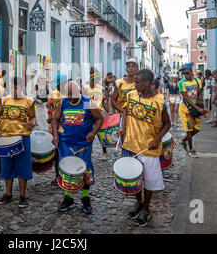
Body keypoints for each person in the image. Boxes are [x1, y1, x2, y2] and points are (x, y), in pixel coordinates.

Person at [117, 69, 171, 227]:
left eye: (137, 81)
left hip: (148, 147)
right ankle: (139, 203)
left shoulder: (160, 101)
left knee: (149, 181)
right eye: (134, 81)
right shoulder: (131, 95)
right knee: (134, 177)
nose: (134, 84)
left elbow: (167, 124)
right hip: (130, 144)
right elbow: (126, 111)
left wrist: (157, 139)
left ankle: (146, 209)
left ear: (147, 83)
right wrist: (123, 127)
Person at [52, 81, 104, 214]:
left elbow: (99, 118)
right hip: (66, 144)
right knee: (67, 170)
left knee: (85, 170)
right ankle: (68, 198)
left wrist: (93, 133)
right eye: (67, 93)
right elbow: (55, 119)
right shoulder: (63, 103)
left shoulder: (87, 102)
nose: (69, 96)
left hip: (83, 144)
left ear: (79, 91)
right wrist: (55, 135)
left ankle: (85, 197)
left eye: (72, 93)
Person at [0, 77, 36, 208]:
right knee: (7, 167)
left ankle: (22, 195)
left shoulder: (29, 101)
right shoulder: (5, 100)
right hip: (6, 138)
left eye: (17, 87)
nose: (14, 90)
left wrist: (31, 123)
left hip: (22, 138)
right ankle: (8, 194)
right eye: (12, 87)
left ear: (23, 87)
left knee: (23, 166)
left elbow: (33, 117)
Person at [178, 63, 207, 158]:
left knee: (197, 128)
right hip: (185, 108)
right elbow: (186, 98)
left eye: (187, 73)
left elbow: (199, 92)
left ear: (191, 72)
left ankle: (183, 141)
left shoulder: (197, 81)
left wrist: (200, 100)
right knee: (189, 130)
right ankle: (191, 149)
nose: (185, 75)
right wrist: (197, 108)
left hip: (195, 107)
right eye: (184, 74)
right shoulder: (182, 83)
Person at [47, 73, 68, 185]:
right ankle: (57, 176)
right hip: (55, 129)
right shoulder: (54, 94)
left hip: (66, 129)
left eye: (59, 84)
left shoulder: (69, 95)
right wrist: (49, 116)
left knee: (66, 153)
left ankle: (66, 175)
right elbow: (50, 107)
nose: (58, 87)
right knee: (56, 154)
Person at [83, 68, 108, 160]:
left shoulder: (100, 88)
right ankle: (87, 151)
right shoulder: (85, 88)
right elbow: (85, 102)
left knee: (101, 134)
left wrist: (106, 108)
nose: (99, 78)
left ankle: (104, 152)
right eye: (97, 76)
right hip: (89, 114)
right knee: (88, 133)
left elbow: (102, 100)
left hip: (99, 115)